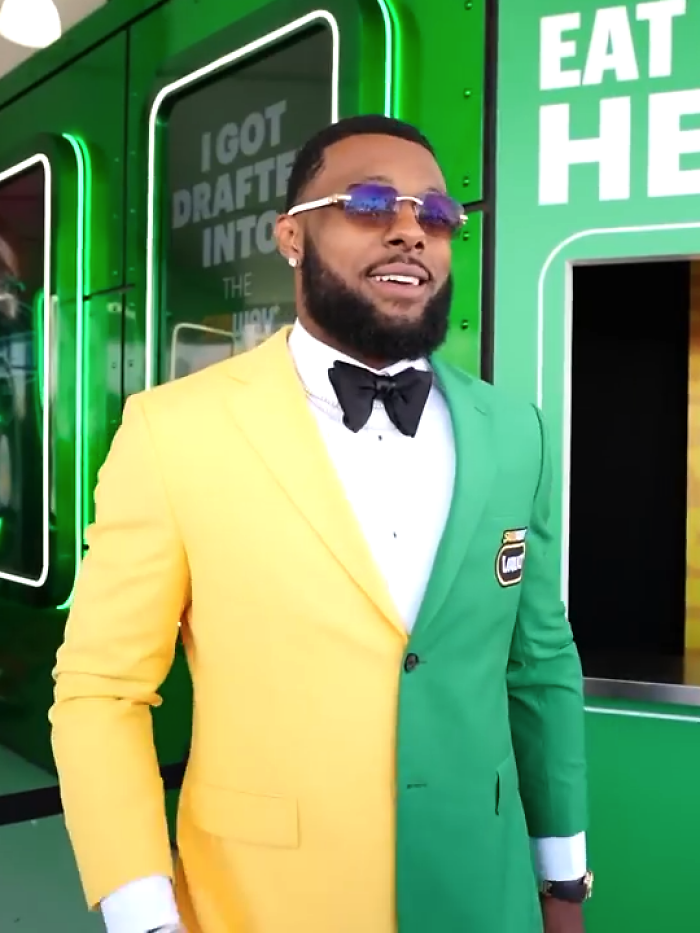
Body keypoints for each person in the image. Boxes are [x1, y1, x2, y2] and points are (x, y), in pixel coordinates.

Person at [49, 114, 592, 933]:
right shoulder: (174, 430)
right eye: (371, 201)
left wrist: (564, 880)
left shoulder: (518, 431)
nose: (411, 229)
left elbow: (539, 663)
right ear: (292, 236)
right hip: (260, 901)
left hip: (483, 892)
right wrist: (144, 914)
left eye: (437, 214)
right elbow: (102, 690)